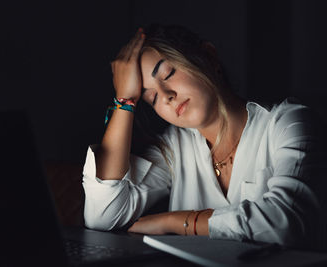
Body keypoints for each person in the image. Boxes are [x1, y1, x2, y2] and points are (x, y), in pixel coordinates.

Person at [82, 24, 326, 249]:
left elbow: (285, 224)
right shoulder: (174, 147)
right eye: (151, 98)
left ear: (209, 56)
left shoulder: (289, 123)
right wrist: (125, 102)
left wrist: (176, 222)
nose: (166, 96)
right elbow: (103, 215)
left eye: (168, 74)